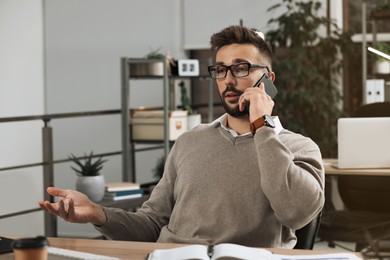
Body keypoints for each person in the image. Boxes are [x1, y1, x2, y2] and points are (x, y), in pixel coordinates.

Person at [39, 25, 324, 248]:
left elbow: (296, 214)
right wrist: (97, 213)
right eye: (221, 70)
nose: (229, 80)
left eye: (241, 68)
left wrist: (262, 125)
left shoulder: (299, 148)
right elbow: (152, 225)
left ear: (268, 79)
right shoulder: (190, 141)